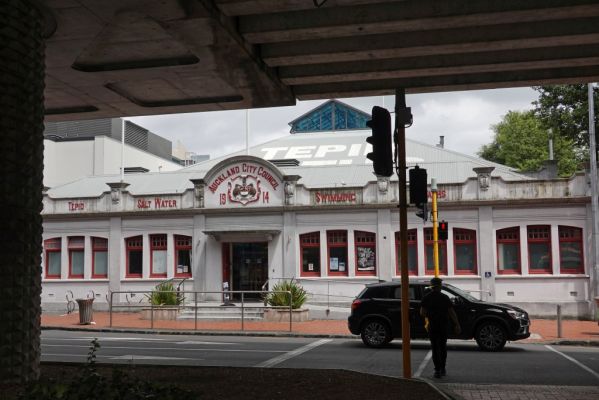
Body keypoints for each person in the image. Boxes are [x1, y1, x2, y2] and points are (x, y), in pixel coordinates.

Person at [420, 277, 461, 378]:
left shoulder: (426, 298)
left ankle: (437, 370)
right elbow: (451, 312)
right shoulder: (444, 297)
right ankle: (442, 369)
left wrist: (430, 315)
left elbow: (422, 312)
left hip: (432, 325)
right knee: (442, 347)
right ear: (440, 286)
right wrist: (457, 324)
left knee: (434, 347)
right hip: (443, 325)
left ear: (432, 286)